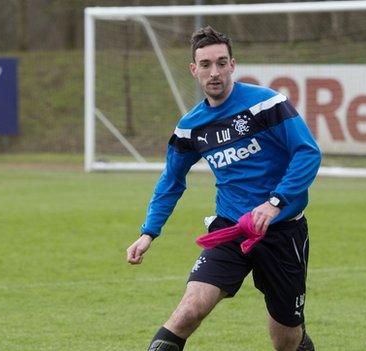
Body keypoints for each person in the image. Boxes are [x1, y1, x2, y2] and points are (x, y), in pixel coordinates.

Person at [126, 26, 321, 351]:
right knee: (189, 311)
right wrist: (149, 232)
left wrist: (275, 202)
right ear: (194, 70)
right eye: (205, 65)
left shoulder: (267, 105)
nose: (213, 72)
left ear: (232, 64)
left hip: (283, 232)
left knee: (286, 339)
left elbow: (308, 152)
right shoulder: (191, 126)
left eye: (220, 63)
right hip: (232, 229)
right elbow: (171, 181)